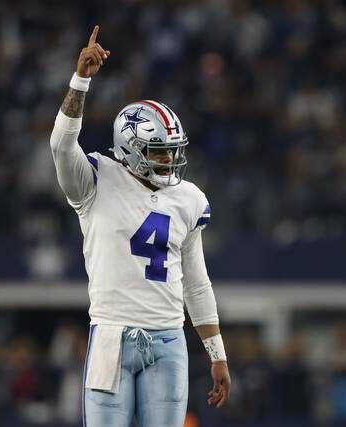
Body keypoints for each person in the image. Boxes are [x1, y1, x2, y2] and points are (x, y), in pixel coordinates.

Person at [49, 25, 231, 427]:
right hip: (111, 336)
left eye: (172, 153)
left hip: (168, 339)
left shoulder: (187, 198)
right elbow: (62, 145)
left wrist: (217, 354)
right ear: (130, 149)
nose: (169, 163)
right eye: (159, 153)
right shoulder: (96, 179)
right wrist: (80, 80)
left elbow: (196, 282)